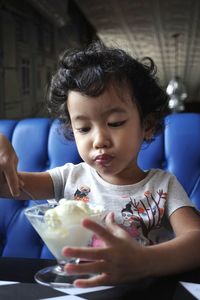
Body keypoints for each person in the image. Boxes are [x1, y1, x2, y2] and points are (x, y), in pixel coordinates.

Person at [0, 41, 200, 288]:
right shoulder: (69, 178)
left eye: (115, 123)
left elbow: (196, 240)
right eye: (83, 128)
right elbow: (7, 185)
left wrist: (145, 261)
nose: (99, 140)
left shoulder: (162, 186)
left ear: (147, 126)